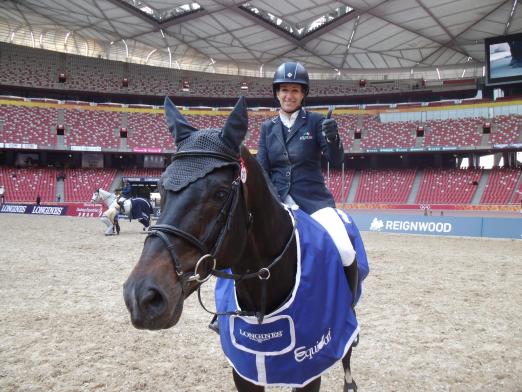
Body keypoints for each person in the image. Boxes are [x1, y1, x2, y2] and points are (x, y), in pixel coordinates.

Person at [257, 61, 356, 274]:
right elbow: (262, 170)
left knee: (345, 250)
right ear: (277, 93)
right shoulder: (267, 128)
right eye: (284, 90)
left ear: (303, 95)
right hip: (277, 204)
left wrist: (333, 138)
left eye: (295, 90)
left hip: (313, 202)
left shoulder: (315, 122)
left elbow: (336, 160)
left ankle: (346, 304)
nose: (289, 95)